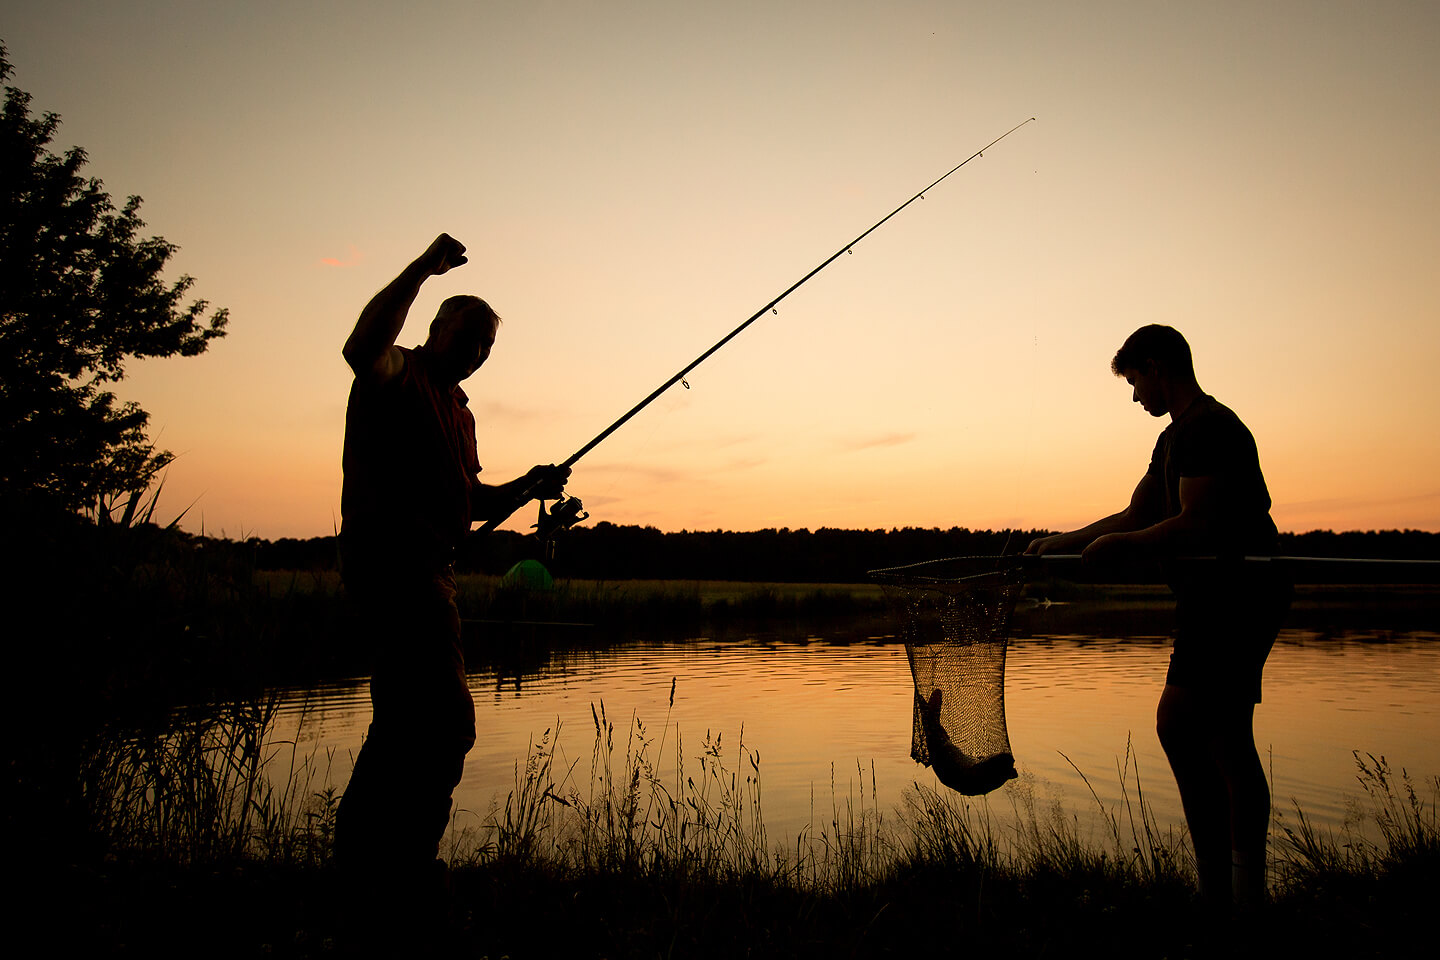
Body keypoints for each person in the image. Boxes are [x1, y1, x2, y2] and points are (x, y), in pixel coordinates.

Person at [335, 233, 569, 936]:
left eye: (486, 347)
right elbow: (358, 348)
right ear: (436, 328)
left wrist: (527, 487)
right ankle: (405, 873)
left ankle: (362, 868)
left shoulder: (458, 411)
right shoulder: (394, 374)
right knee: (447, 723)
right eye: (467, 337)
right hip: (393, 570)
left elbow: (469, 506)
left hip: (434, 572)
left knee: (405, 723)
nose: (475, 353)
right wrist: (421, 268)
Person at [1025, 324, 1290, 914]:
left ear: (1157, 366)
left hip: (1238, 595)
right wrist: (1063, 541)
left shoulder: (1209, 430)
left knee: (1192, 730)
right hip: (1208, 597)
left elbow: (1198, 521)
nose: (1136, 395)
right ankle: (1224, 892)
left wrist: (1126, 548)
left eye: (1135, 381)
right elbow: (1135, 512)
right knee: (1215, 736)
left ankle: (1237, 895)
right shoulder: (1172, 440)